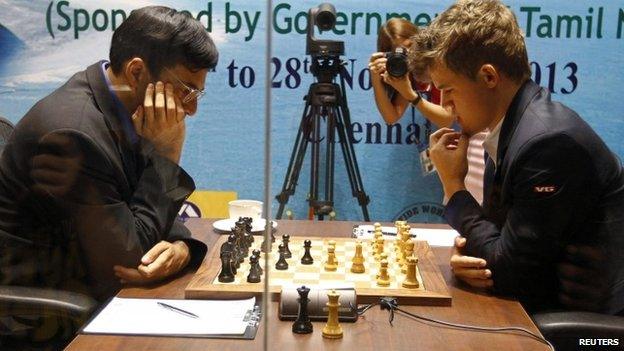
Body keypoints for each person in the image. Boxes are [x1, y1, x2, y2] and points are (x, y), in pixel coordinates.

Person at [411, 0, 624, 314]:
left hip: (587, 334)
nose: (445, 104)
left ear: (488, 77)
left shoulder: (548, 144)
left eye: (449, 89)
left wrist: (454, 188)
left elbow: (508, 274)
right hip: (538, 310)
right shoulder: (511, 128)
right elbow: (496, 247)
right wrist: (470, 253)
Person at [0, 5, 217, 310]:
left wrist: (183, 247)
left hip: (90, 285)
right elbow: (127, 260)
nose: (191, 110)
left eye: (197, 95)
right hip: (45, 315)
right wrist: (168, 155)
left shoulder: (125, 106)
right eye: (186, 91)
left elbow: (139, 212)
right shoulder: (71, 135)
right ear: (137, 71)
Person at [370, 18, 487, 202]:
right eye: (398, 52)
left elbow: (447, 118)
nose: (407, 55)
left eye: (409, 46)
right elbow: (391, 116)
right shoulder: (406, 73)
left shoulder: (439, 63)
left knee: (472, 199)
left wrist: (411, 95)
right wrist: (376, 79)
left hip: (476, 142)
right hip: (455, 146)